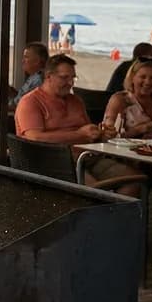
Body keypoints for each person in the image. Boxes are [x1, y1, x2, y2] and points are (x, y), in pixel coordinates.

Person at [15, 54, 142, 196]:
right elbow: (34, 138)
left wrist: (100, 134)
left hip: (88, 157)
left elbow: (87, 133)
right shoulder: (31, 102)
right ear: (49, 76)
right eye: (65, 77)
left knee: (134, 181)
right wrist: (79, 135)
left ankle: (111, 216)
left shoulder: (75, 101)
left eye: (73, 78)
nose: (70, 83)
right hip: (53, 163)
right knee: (95, 192)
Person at [103, 59, 152, 138]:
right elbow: (107, 136)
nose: (148, 82)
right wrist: (138, 130)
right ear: (132, 78)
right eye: (143, 77)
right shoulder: (120, 100)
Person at [9, 42, 49, 109]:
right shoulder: (34, 77)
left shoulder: (38, 80)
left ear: (37, 61)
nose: (22, 61)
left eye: (26, 57)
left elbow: (19, 104)